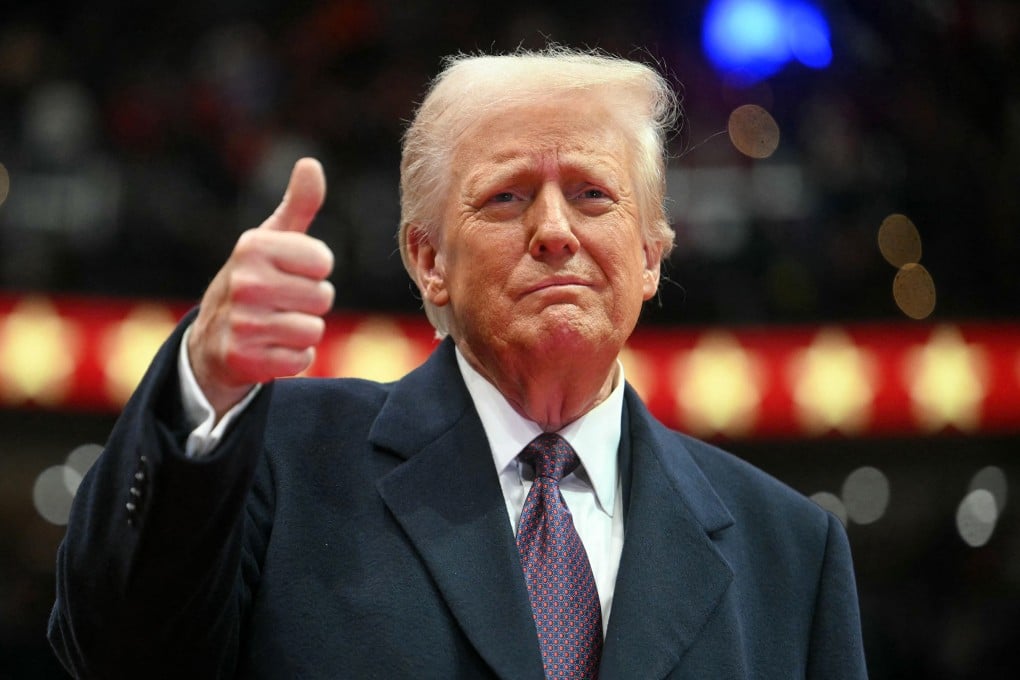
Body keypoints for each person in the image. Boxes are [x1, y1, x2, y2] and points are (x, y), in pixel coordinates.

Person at [48, 47, 868, 679]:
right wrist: (204, 381)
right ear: (427, 259)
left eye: (593, 194)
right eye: (507, 196)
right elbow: (116, 649)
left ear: (651, 256)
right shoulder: (279, 461)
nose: (555, 230)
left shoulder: (791, 552)